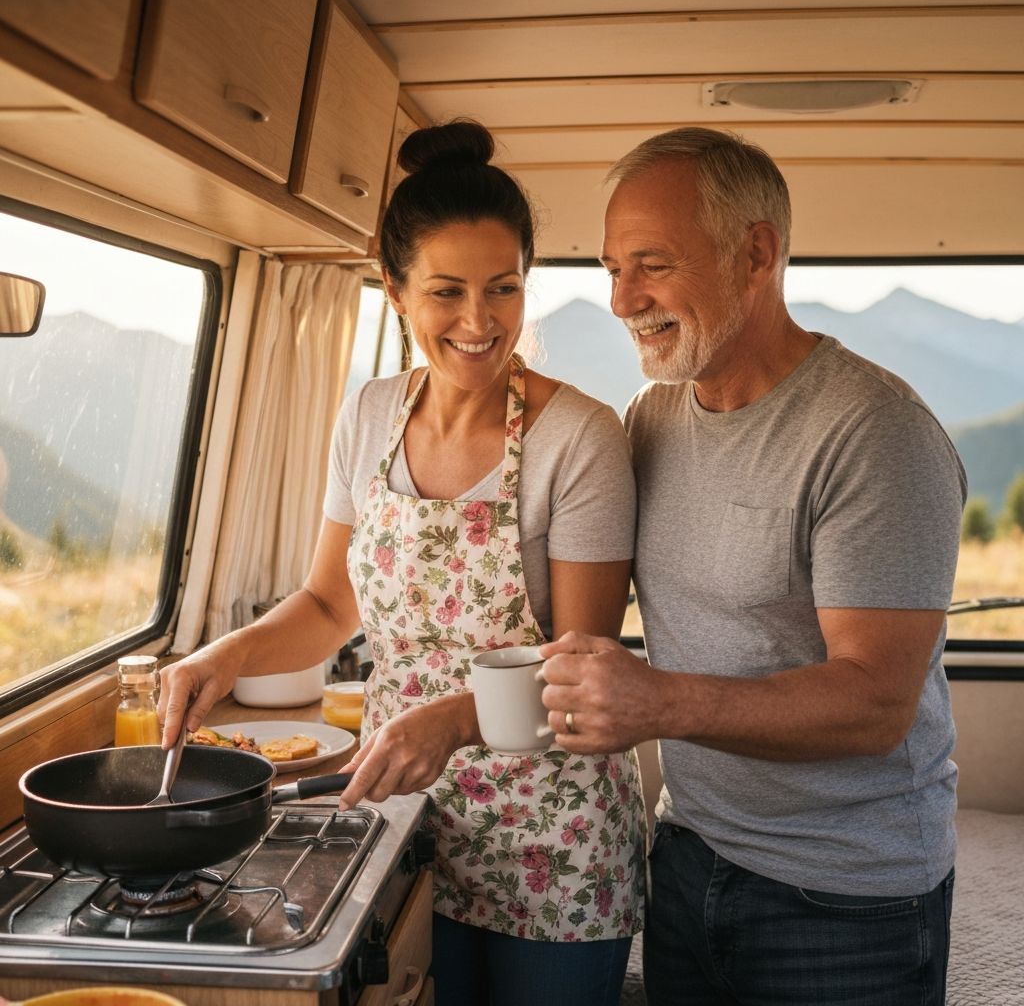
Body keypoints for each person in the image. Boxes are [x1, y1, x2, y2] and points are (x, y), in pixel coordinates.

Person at [159, 119, 646, 1006]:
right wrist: (218, 658)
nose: (478, 321)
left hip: (554, 841)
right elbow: (326, 603)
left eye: (503, 289)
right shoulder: (369, 415)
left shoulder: (580, 437)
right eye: (446, 291)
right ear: (393, 289)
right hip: (402, 820)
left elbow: (581, 673)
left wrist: (450, 721)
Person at [539, 127, 966, 1005]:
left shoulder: (875, 432)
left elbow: (876, 704)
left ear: (756, 254)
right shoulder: (648, 422)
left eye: (651, 263)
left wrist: (655, 700)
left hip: (846, 896)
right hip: (691, 850)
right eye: (610, 268)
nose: (623, 300)